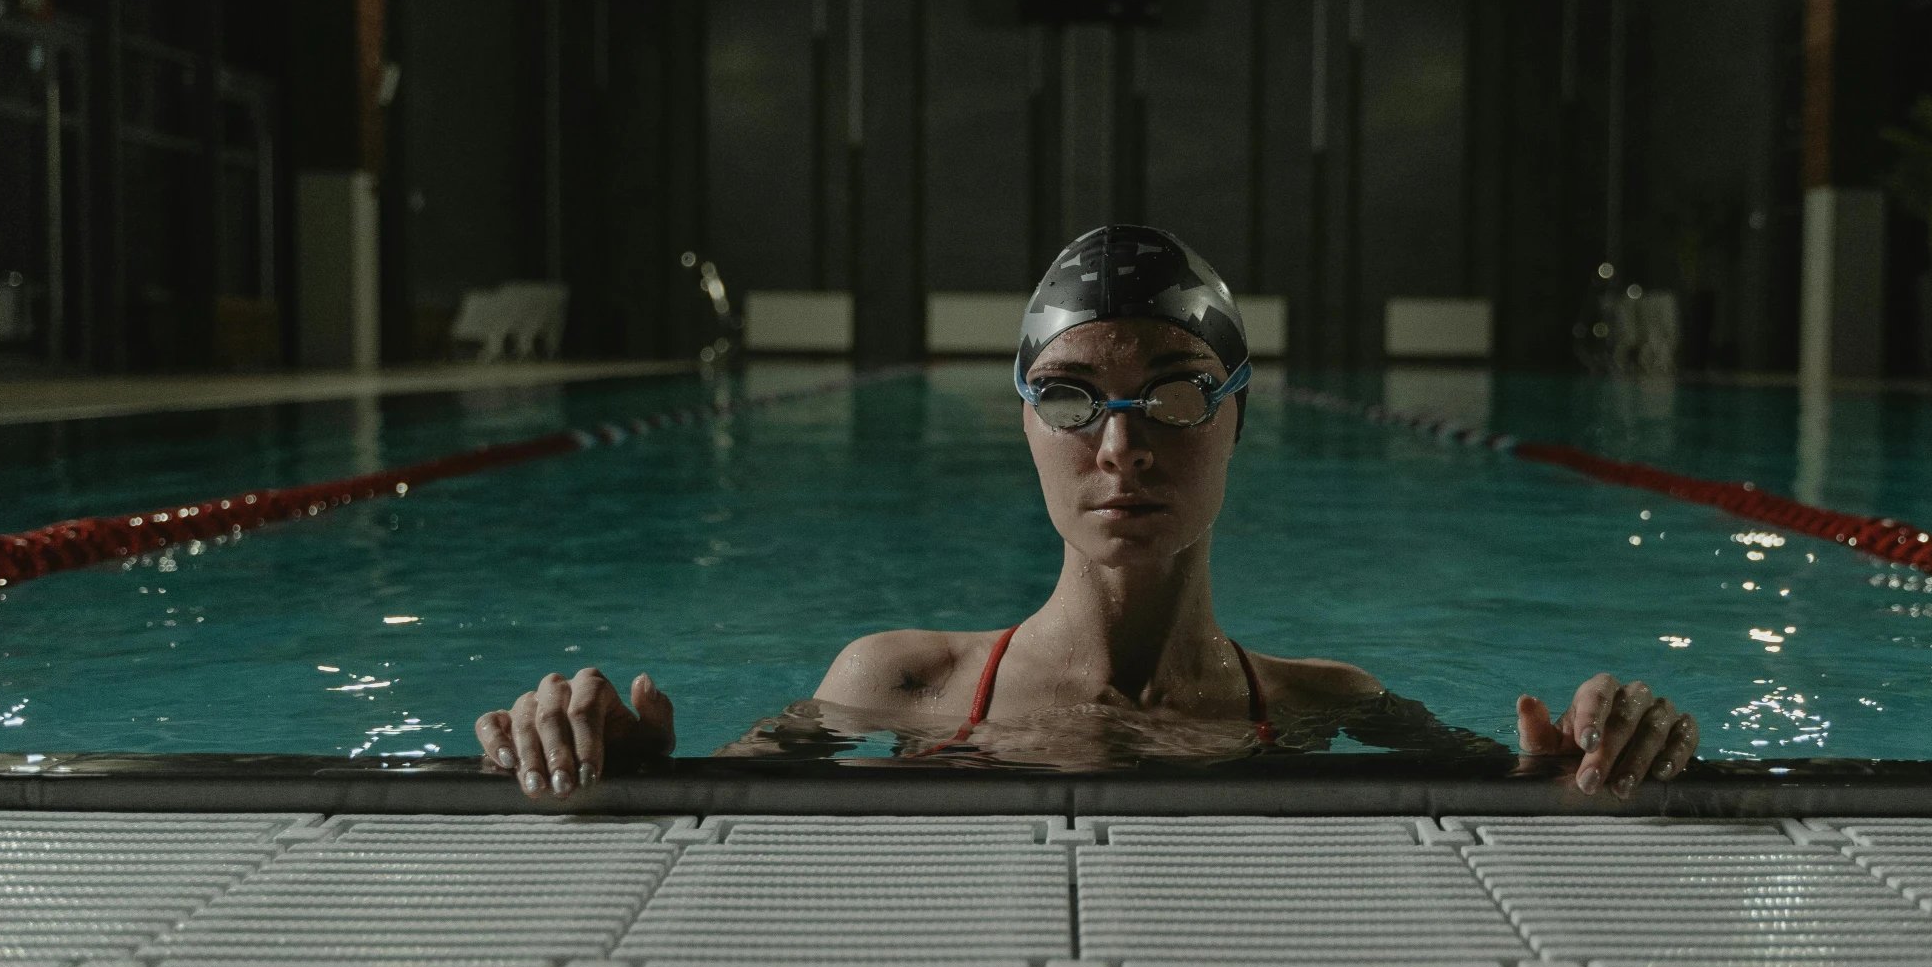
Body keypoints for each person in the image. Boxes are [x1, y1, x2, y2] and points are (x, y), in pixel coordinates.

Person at [478, 225, 1700, 797]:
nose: (1120, 445)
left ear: (1237, 415)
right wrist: (614, 763)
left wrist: (1609, 744)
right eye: (1070, 400)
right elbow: (724, 804)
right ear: (1023, 421)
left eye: (1171, 394)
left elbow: (1533, 783)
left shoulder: (1338, 700)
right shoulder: (900, 683)